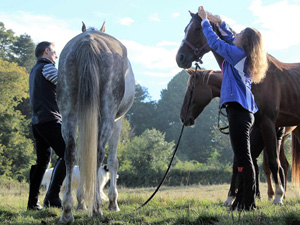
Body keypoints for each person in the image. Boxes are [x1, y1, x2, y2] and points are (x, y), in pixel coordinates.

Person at [198, 6, 268, 210]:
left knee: (244, 158)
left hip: (239, 111)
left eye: (240, 34)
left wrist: (204, 21)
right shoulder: (241, 54)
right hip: (242, 111)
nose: (235, 35)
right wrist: (219, 22)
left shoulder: (237, 55)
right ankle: (243, 200)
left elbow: (216, 43)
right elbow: (228, 38)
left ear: (244, 42)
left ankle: (248, 202)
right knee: (243, 157)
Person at [27, 41, 66, 210]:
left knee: (42, 161)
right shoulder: (47, 67)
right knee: (69, 154)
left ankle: (32, 203)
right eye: (54, 53)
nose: (56, 56)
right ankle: (52, 197)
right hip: (50, 120)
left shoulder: (34, 70)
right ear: (47, 51)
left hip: (38, 122)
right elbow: (65, 85)